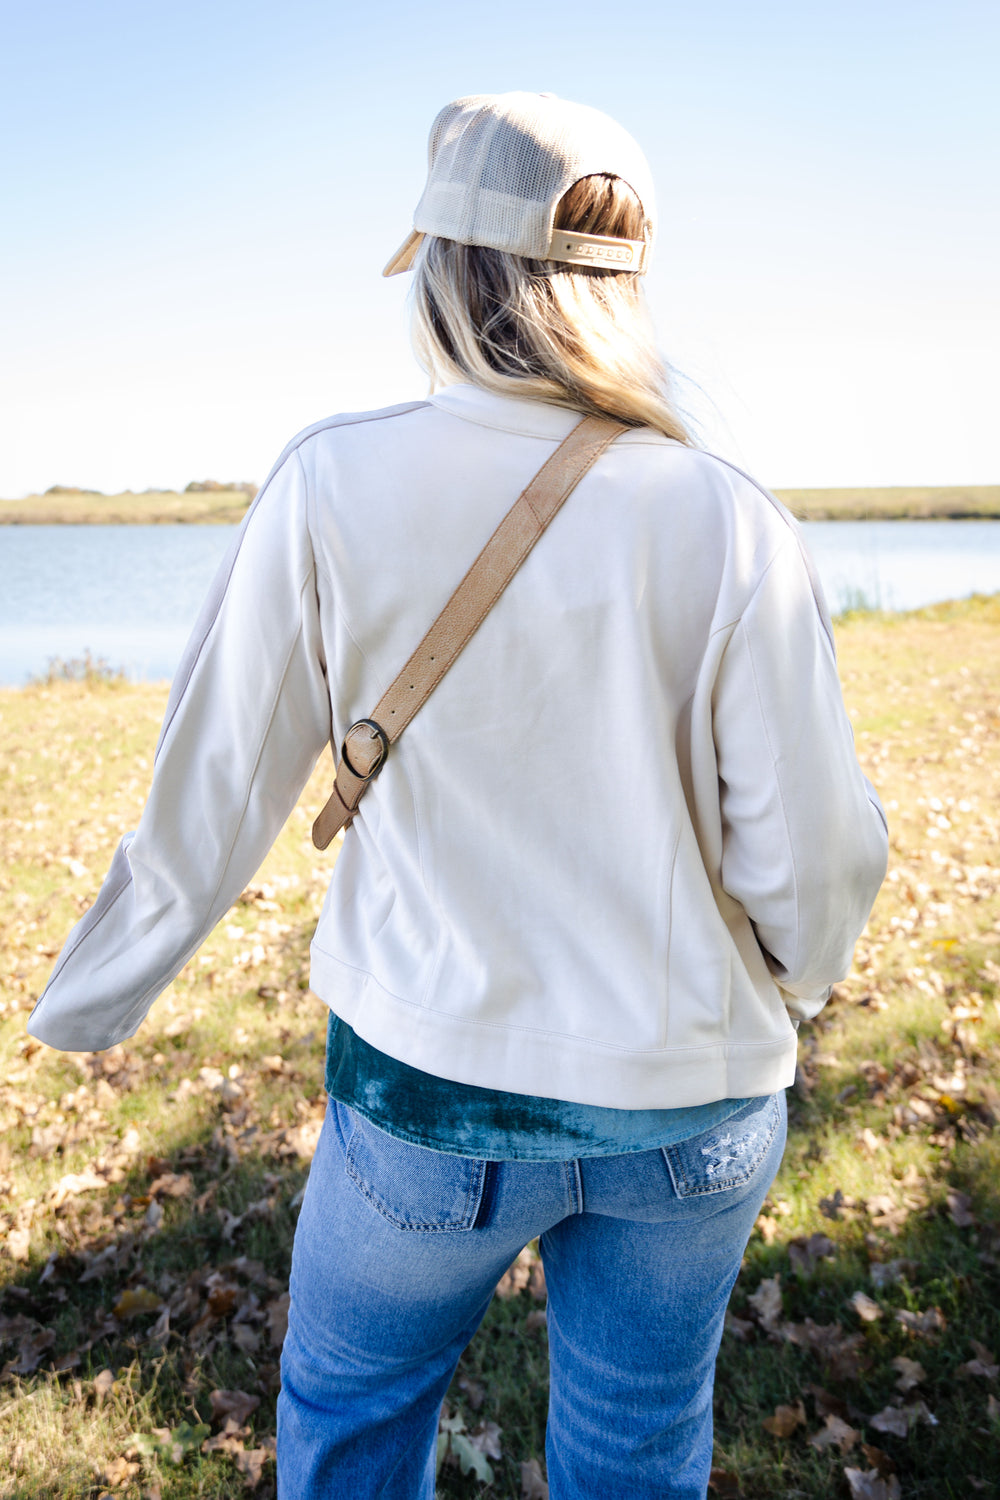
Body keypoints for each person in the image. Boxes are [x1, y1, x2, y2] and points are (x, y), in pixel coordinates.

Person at [29, 91, 888, 1499]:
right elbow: (812, 858)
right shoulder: (729, 516)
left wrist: (94, 1001)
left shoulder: (333, 482)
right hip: (695, 1105)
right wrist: (788, 990)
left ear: (442, 268)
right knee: (637, 1441)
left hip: (433, 1097)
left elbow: (218, 787)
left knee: (355, 1420)